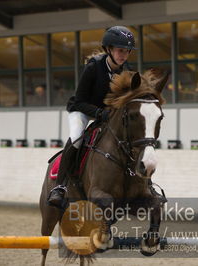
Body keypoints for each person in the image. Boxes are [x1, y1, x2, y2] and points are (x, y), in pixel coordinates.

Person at [48, 26, 136, 207]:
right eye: (120, 50)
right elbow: (79, 100)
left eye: (127, 51)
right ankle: (60, 186)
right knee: (76, 139)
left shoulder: (126, 70)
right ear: (109, 49)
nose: (124, 55)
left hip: (105, 114)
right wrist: (98, 113)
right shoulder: (94, 67)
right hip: (81, 110)